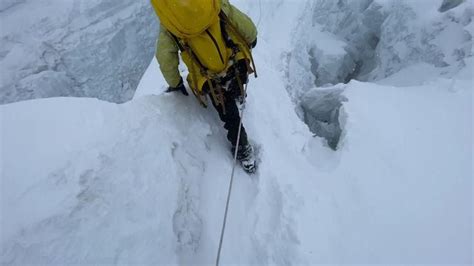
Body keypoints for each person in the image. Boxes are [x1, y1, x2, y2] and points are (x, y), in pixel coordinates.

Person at [151, 0, 258, 173]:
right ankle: (238, 94)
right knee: (238, 79)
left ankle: (243, 149)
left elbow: (165, 57)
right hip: (235, 59)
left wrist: (175, 83)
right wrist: (252, 37)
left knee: (229, 114)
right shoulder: (212, 3)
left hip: (208, 77)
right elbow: (238, 19)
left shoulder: (170, 24)